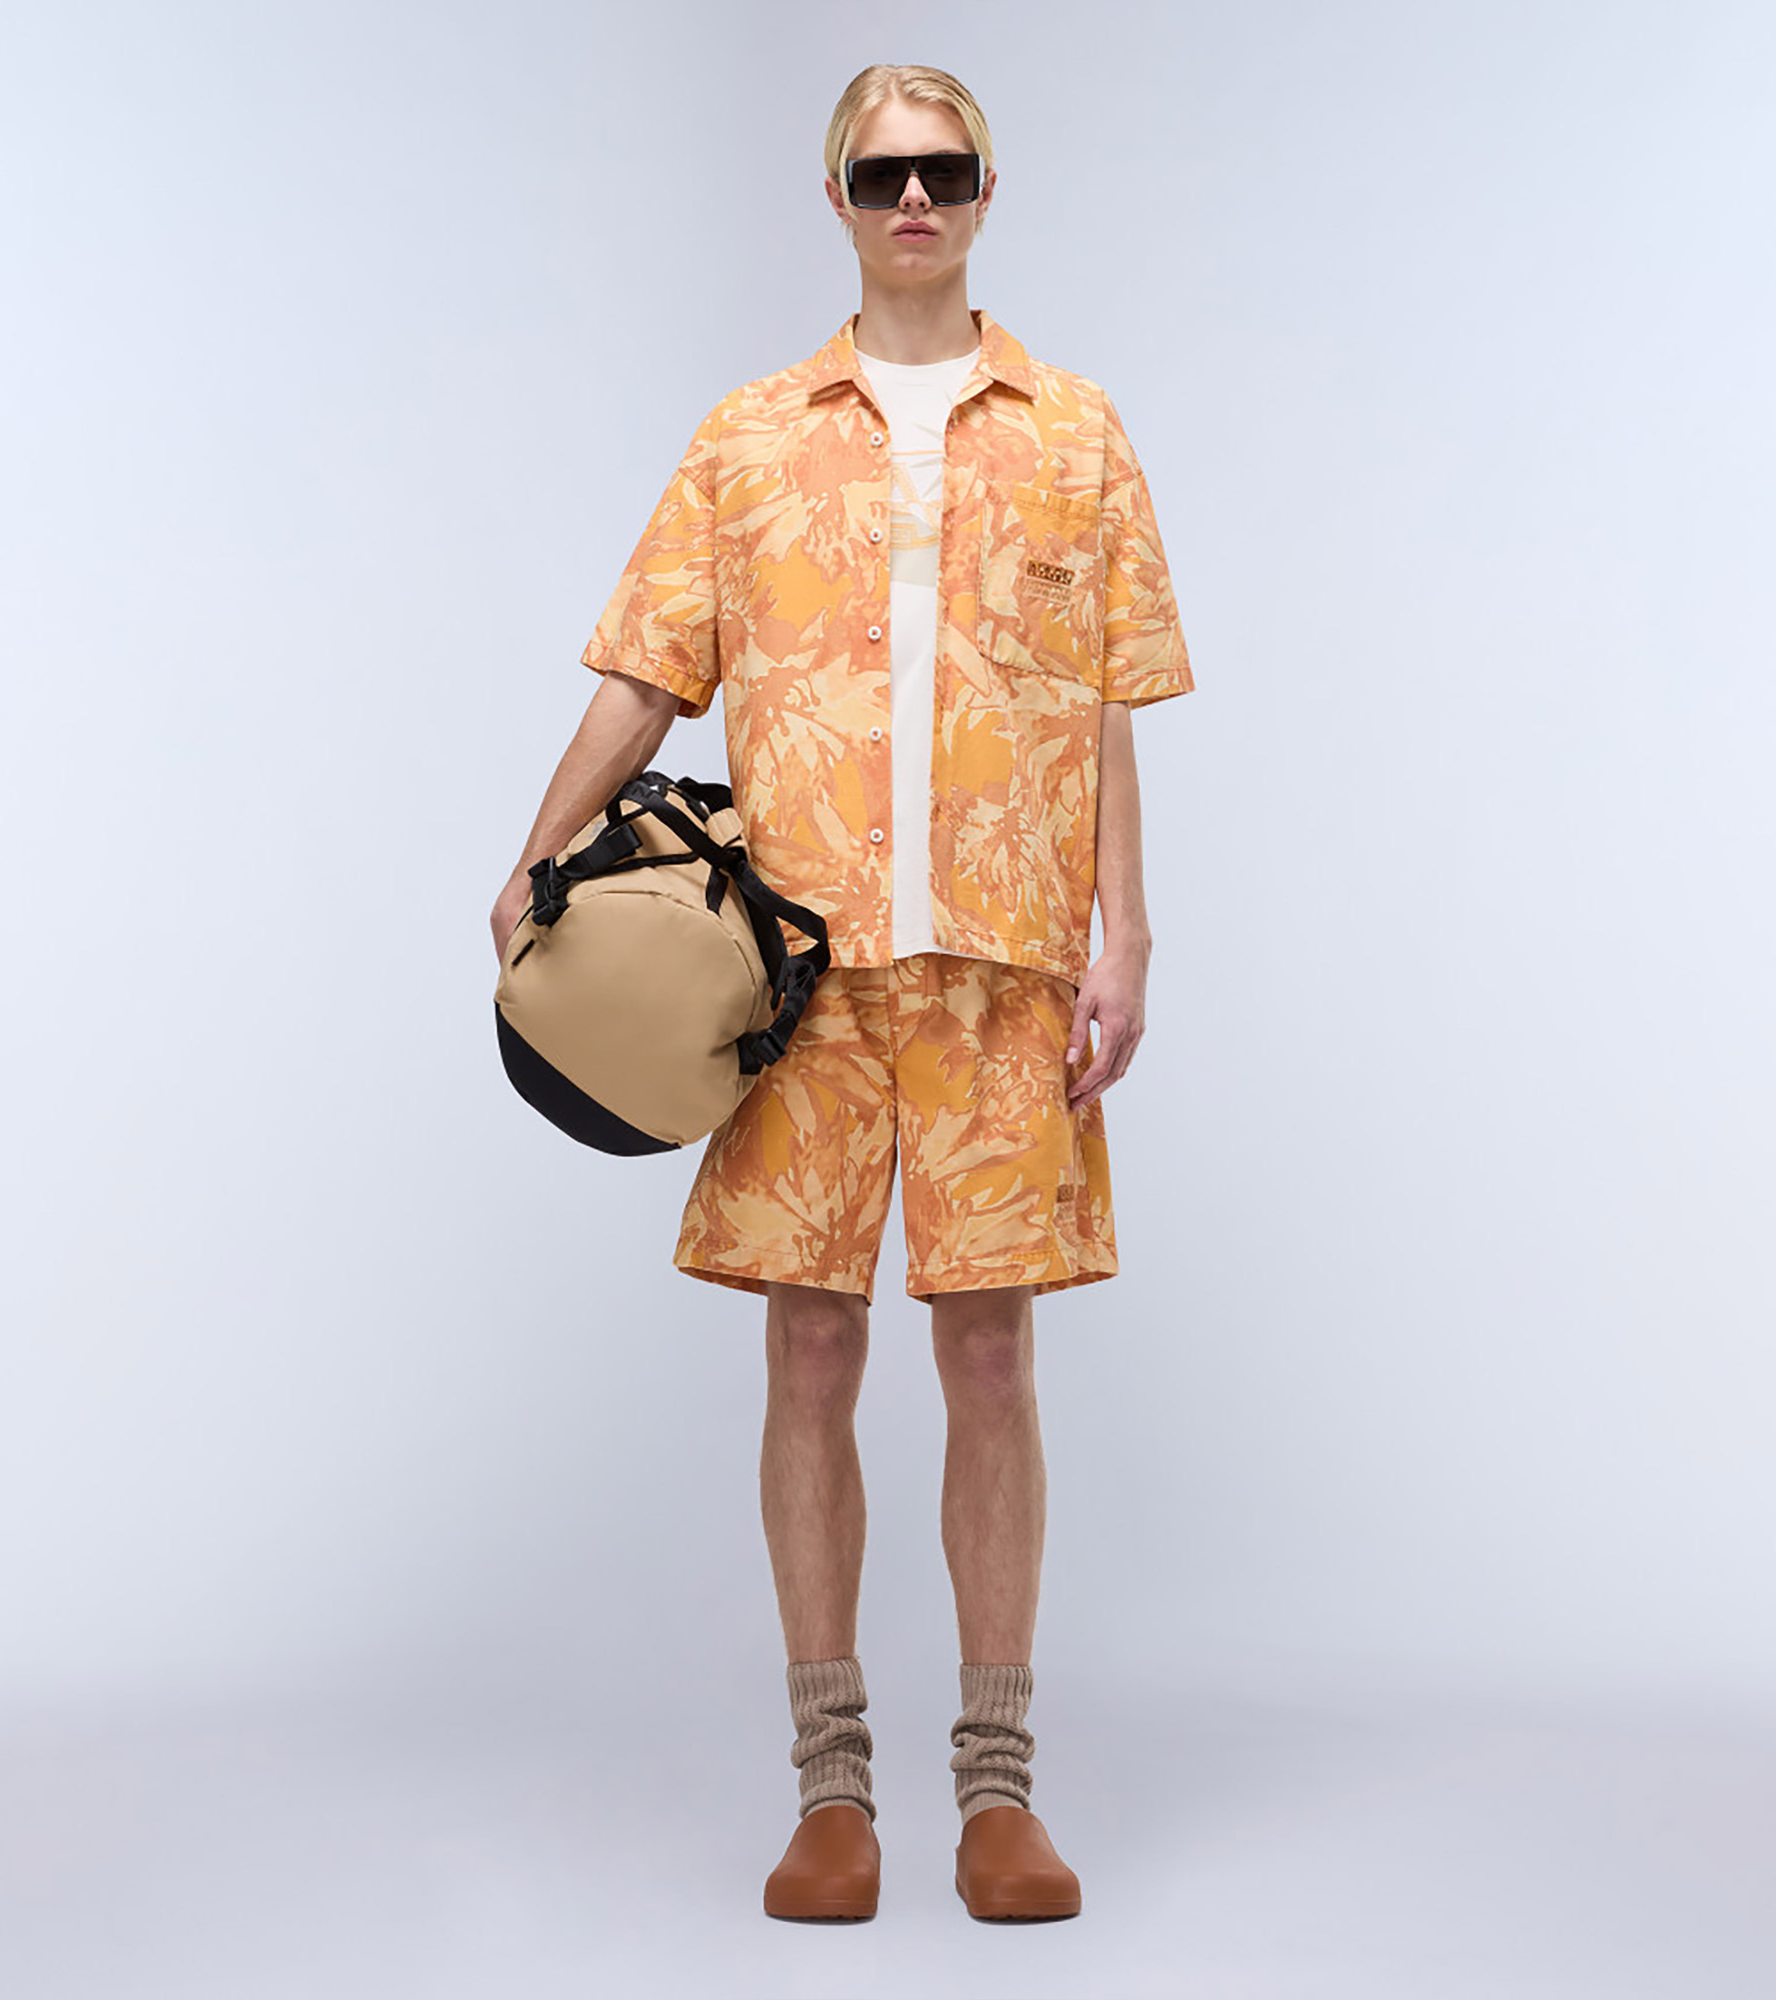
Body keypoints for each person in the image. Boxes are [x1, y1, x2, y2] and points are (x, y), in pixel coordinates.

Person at [489, 63, 1193, 1924]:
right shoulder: (748, 440)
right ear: (837, 200)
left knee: (991, 1354)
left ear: (987, 191)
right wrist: (538, 851)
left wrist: (1127, 935)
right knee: (809, 1347)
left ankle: (999, 1791)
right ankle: (831, 1790)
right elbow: (647, 675)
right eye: (882, 176)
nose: (914, 201)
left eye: (943, 170)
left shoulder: (1079, 433)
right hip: (794, 977)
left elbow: (1111, 708)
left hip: (999, 972)